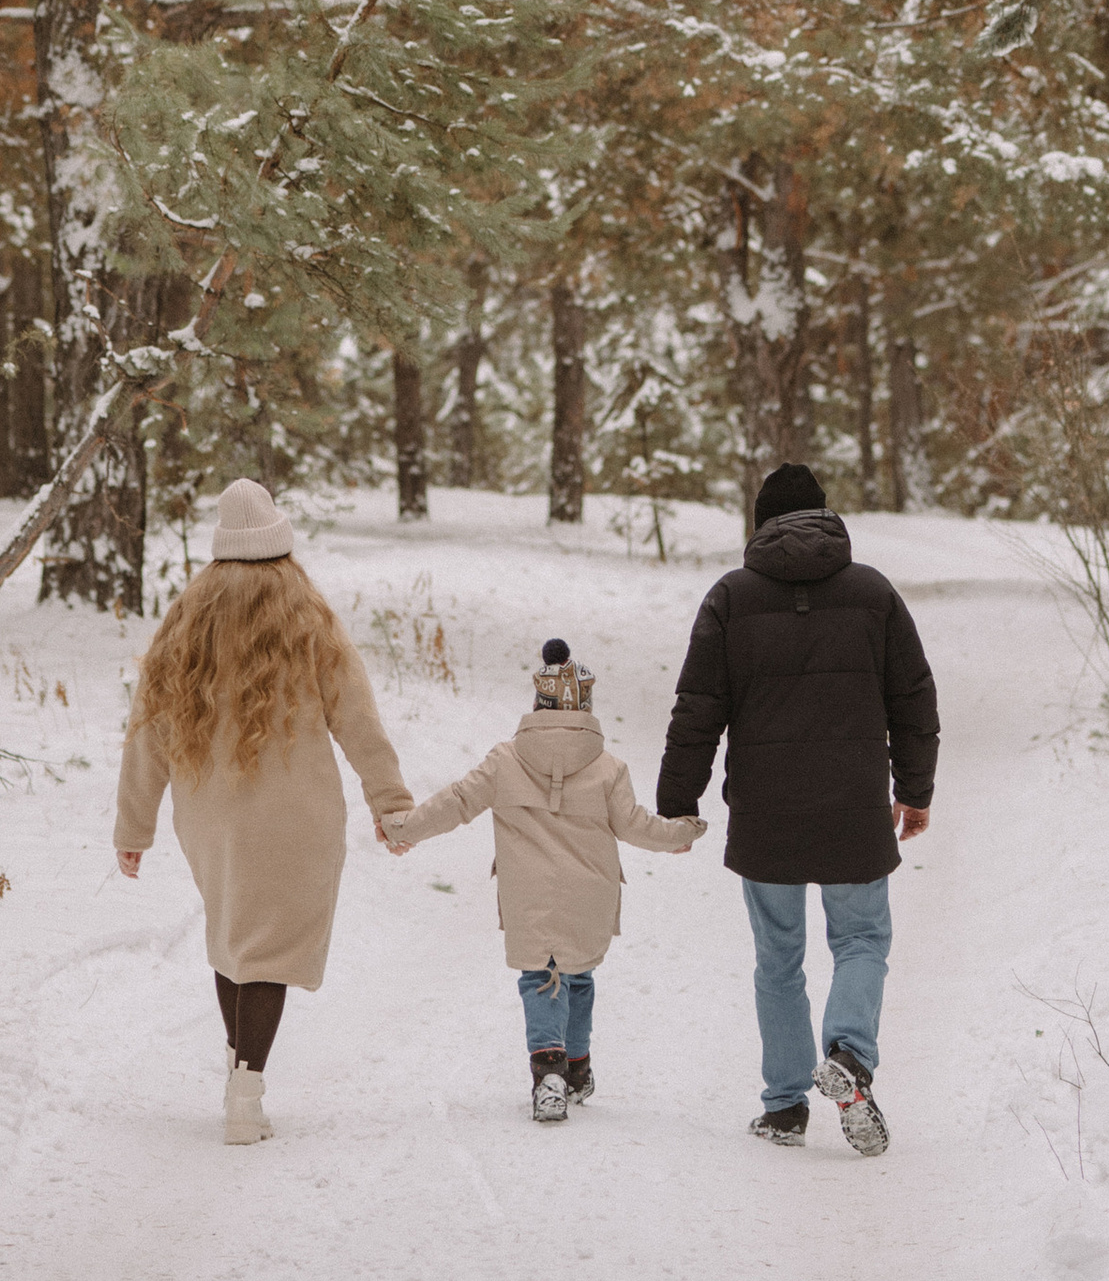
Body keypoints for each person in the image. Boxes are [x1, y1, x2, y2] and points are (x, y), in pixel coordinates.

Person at [114, 476, 413, 1145]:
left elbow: (148, 726)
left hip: (210, 814)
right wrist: (389, 801)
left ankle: (237, 1070)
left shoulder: (189, 614)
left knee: (233, 936)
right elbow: (357, 717)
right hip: (295, 814)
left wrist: (134, 826)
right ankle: (246, 1089)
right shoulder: (307, 613)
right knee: (268, 949)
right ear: (278, 539)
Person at [656, 459, 938, 1155]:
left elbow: (698, 709)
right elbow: (914, 699)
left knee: (778, 958)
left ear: (760, 526)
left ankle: (785, 1107)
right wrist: (915, 790)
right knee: (862, 939)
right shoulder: (873, 593)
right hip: (853, 806)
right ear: (825, 517)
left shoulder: (731, 597)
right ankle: (847, 1055)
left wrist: (677, 799)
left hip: (766, 810)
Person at [387, 634, 705, 1120]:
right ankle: (577, 1067)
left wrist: (401, 827)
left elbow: (454, 804)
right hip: (590, 894)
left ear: (537, 706)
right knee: (578, 976)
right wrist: (680, 833)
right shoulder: (608, 767)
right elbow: (636, 824)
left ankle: (548, 1069)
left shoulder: (504, 760)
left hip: (527, 894)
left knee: (541, 976)